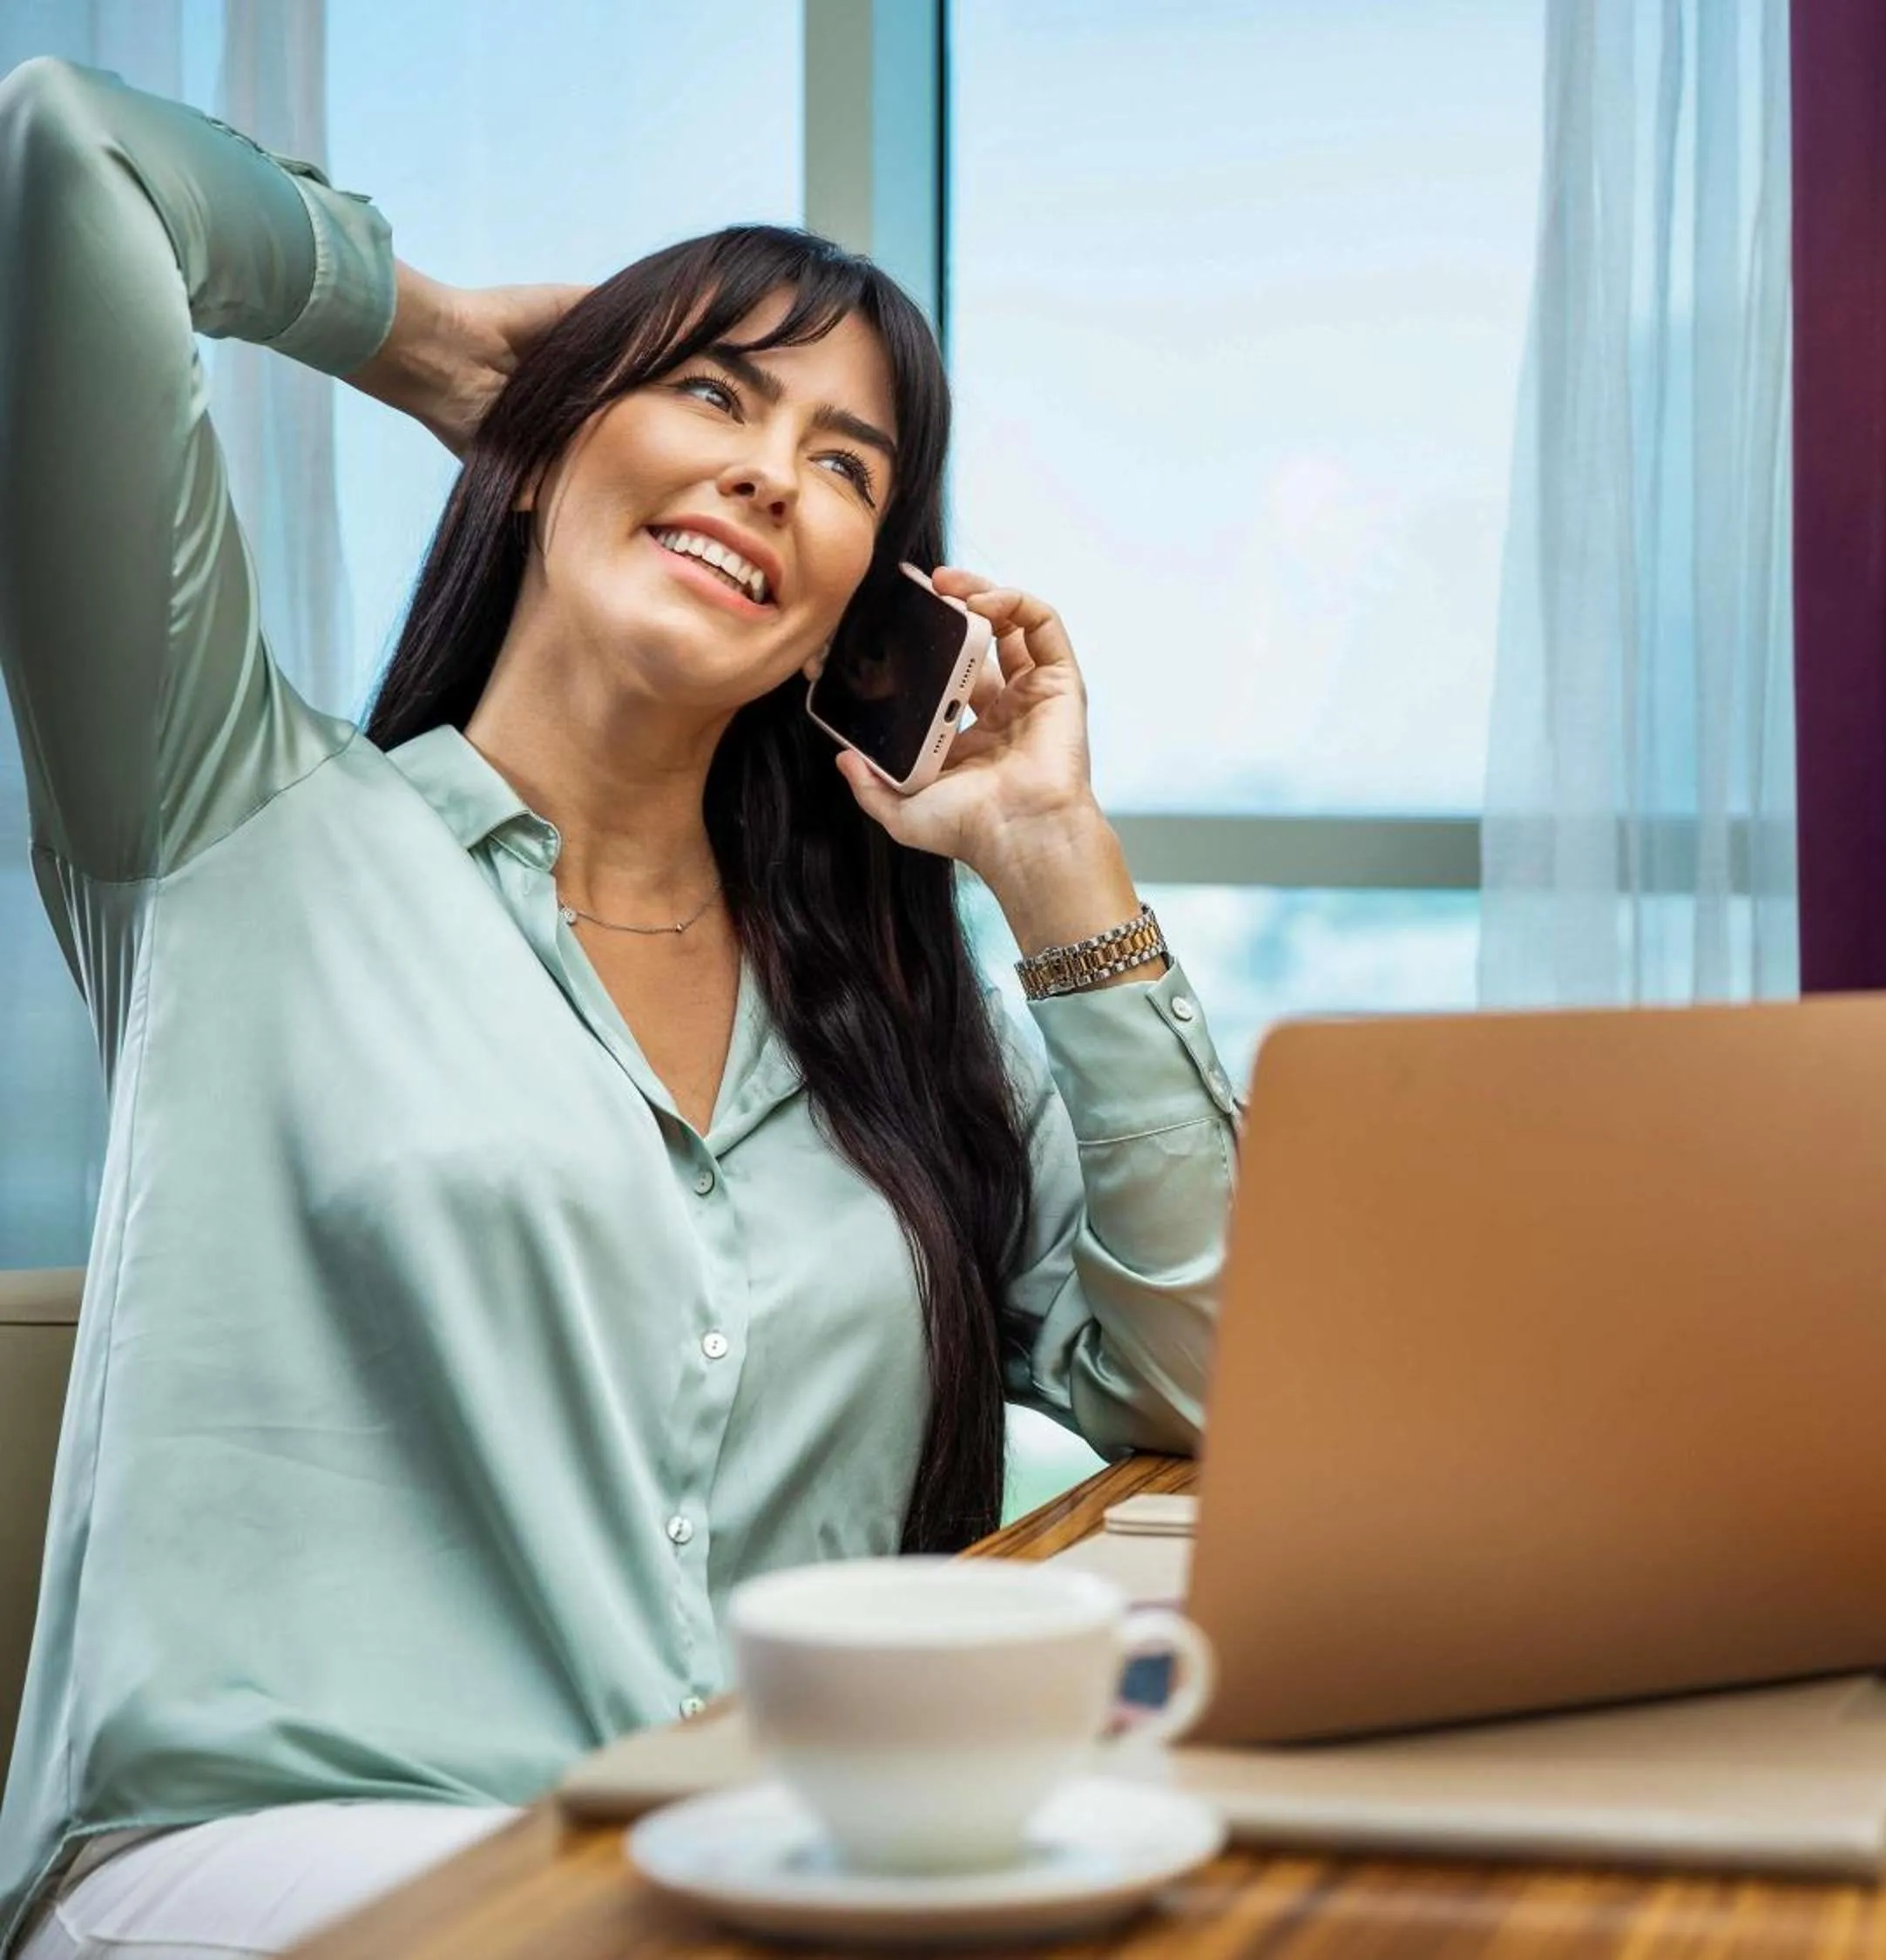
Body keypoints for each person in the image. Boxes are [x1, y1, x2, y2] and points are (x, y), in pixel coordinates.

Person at [0, 56, 1239, 1959]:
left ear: (860, 613)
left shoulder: (909, 1038)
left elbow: (1209, 1380)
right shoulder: (220, 820)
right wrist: (416, 339)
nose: (772, 471)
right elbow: (67, 155)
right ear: (558, 431)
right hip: (268, 1870)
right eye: (712, 391)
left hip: (751, 1870)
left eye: (848, 465)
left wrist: (1054, 856)